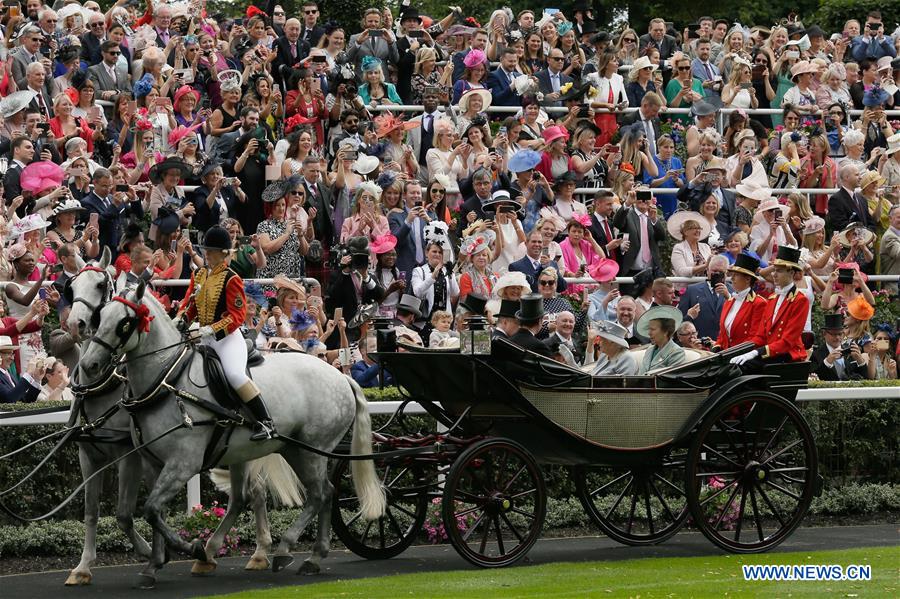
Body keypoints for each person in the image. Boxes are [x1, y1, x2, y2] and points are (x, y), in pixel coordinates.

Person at [180, 226, 274, 440]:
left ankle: (266, 422)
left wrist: (210, 329)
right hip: (201, 337)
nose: (206, 253)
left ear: (223, 253)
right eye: (205, 249)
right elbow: (190, 305)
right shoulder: (199, 275)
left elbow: (237, 315)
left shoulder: (232, 278)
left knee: (234, 374)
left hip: (226, 339)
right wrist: (181, 319)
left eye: (211, 250)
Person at [730, 246, 810, 370]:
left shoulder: (800, 300)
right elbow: (761, 336)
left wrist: (757, 352)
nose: (774, 274)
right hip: (771, 353)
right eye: (774, 270)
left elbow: (788, 341)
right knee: (730, 364)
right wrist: (740, 350)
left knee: (741, 368)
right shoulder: (772, 298)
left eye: (778, 271)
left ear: (792, 273)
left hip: (786, 355)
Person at [714, 254, 768, 351]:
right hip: (726, 354)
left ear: (748, 279)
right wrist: (717, 347)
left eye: (736, 275)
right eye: (732, 275)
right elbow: (722, 335)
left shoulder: (759, 303)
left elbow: (755, 337)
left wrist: (733, 353)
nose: (732, 278)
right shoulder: (729, 302)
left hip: (744, 356)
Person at [678, 254, 731, 339]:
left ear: (726, 273)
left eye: (721, 272)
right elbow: (680, 321)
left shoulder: (733, 291)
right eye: (714, 271)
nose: (717, 274)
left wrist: (729, 297)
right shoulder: (692, 290)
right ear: (707, 270)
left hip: (725, 343)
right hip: (698, 343)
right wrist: (689, 316)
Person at [810, 313, 867, 381]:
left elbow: (865, 378)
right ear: (824, 334)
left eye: (840, 334)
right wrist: (827, 362)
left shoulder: (850, 351)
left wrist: (860, 361)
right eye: (833, 334)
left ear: (843, 334)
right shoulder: (816, 355)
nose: (837, 337)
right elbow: (815, 379)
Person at [636, 305, 685, 374]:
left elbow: (671, 381)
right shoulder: (649, 350)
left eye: (652, 329)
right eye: (649, 329)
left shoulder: (677, 353)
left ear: (665, 332)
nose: (649, 333)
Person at [0, 336, 45, 404]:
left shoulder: (10, 376)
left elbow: (24, 400)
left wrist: (36, 379)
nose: (12, 358)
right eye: (8, 353)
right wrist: (28, 373)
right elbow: (9, 399)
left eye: (12, 354)